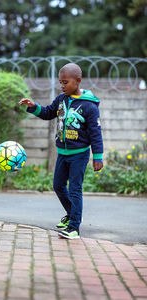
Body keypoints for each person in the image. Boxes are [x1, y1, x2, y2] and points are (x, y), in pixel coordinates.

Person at [19, 63, 103, 239]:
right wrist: (34, 106)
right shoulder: (60, 100)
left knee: (75, 189)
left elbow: (96, 133)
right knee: (58, 186)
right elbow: (49, 113)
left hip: (79, 154)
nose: (62, 86)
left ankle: (74, 228)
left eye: (65, 82)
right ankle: (72, 214)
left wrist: (98, 156)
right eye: (60, 82)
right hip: (62, 154)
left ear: (78, 81)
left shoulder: (89, 106)